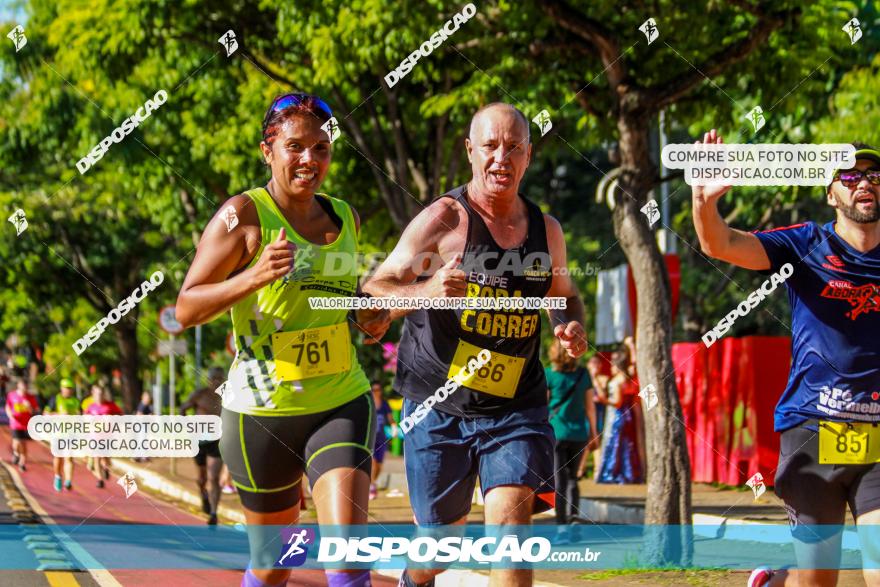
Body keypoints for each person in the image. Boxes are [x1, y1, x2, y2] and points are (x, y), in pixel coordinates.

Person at [364, 102, 587, 587]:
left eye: (513, 148)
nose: (500, 158)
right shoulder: (444, 220)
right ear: (470, 151)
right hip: (438, 402)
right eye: (489, 146)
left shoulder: (547, 232)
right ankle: (413, 578)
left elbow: (564, 297)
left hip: (515, 405)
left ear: (528, 156)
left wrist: (566, 326)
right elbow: (372, 293)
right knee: (441, 548)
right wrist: (425, 291)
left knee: (511, 532)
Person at [175, 93, 389, 587]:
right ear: (267, 150)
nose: (310, 160)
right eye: (296, 147)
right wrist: (252, 277)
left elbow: (338, 300)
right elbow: (187, 307)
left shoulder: (346, 218)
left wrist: (368, 315)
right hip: (261, 415)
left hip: (340, 398)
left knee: (348, 561)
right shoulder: (243, 215)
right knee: (276, 565)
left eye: (321, 148)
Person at [693, 130, 880, 587]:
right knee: (817, 581)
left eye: (874, 174)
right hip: (812, 429)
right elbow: (722, 245)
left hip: (877, 437)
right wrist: (704, 203)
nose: (864, 182)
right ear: (830, 192)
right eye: (850, 174)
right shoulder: (806, 243)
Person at [545, 339, 597, 543]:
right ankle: (574, 518)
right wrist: (593, 433)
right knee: (574, 479)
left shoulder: (549, 375)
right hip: (578, 434)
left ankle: (562, 529)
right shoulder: (584, 375)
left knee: (559, 481)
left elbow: (543, 405)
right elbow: (590, 408)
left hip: (557, 433)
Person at [180, 367, 224, 525]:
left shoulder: (227, 397)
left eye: (220, 378)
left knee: (214, 477)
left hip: (216, 441)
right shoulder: (200, 394)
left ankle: (213, 513)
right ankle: (203, 493)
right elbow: (183, 409)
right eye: (214, 378)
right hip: (198, 440)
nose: (217, 381)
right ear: (208, 379)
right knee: (202, 478)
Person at [595, 349, 642, 484]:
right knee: (627, 445)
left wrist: (604, 400)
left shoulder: (617, 382)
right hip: (630, 416)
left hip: (618, 416)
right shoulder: (630, 380)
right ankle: (629, 473)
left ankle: (611, 473)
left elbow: (617, 402)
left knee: (614, 444)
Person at [84, 384, 123, 488]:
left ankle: (105, 468)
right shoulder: (91, 407)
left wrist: (111, 419)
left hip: (107, 436)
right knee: (96, 457)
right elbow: (85, 418)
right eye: (97, 394)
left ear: (104, 394)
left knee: (105, 458)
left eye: (101, 394)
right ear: (93, 394)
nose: (99, 396)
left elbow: (120, 415)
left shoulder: (110, 405)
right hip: (95, 436)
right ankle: (99, 480)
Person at [47, 378, 80, 491]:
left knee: (69, 457)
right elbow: (46, 414)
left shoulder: (75, 401)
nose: (69, 391)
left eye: (70, 389)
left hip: (70, 434)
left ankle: (68, 481)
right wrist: (59, 414)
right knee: (58, 457)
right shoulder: (55, 399)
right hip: (57, 434)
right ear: (61, 388)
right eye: (66, 388)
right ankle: (58, 476)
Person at [370, 382, 397, 500]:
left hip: (381, 438)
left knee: (379, 464)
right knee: (373, 461)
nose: (377, 391)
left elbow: (391, 419)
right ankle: (371, 486)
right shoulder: (369, 403)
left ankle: (372, 482)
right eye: (374, 389)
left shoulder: (385, 404)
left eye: (378, 389)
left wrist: (394, 428)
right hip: (370, 438)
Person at [5, 378, 38, 472]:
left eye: (26, 386)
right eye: (23, 385)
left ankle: (22, 463)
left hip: (26, 424)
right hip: (15, 423)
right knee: (17, 443)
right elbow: (8, 406)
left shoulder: (30, 397)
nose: (24, 387)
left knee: (23, 443)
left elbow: (33, 411)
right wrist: (9, 414)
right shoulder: (12, 395)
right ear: (19, 385)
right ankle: (16, 453)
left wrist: (29, 407)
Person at [583, 355, 607, 480]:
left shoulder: (603, 379)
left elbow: (602, 396)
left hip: (599, 411)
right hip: (586, 412)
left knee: (597, 439)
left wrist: (594, 379)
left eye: (597, 363)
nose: (595, 366)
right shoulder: (583, 378)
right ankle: (580, 470)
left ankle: (598, 471)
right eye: (593, 363)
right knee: (586, 440)